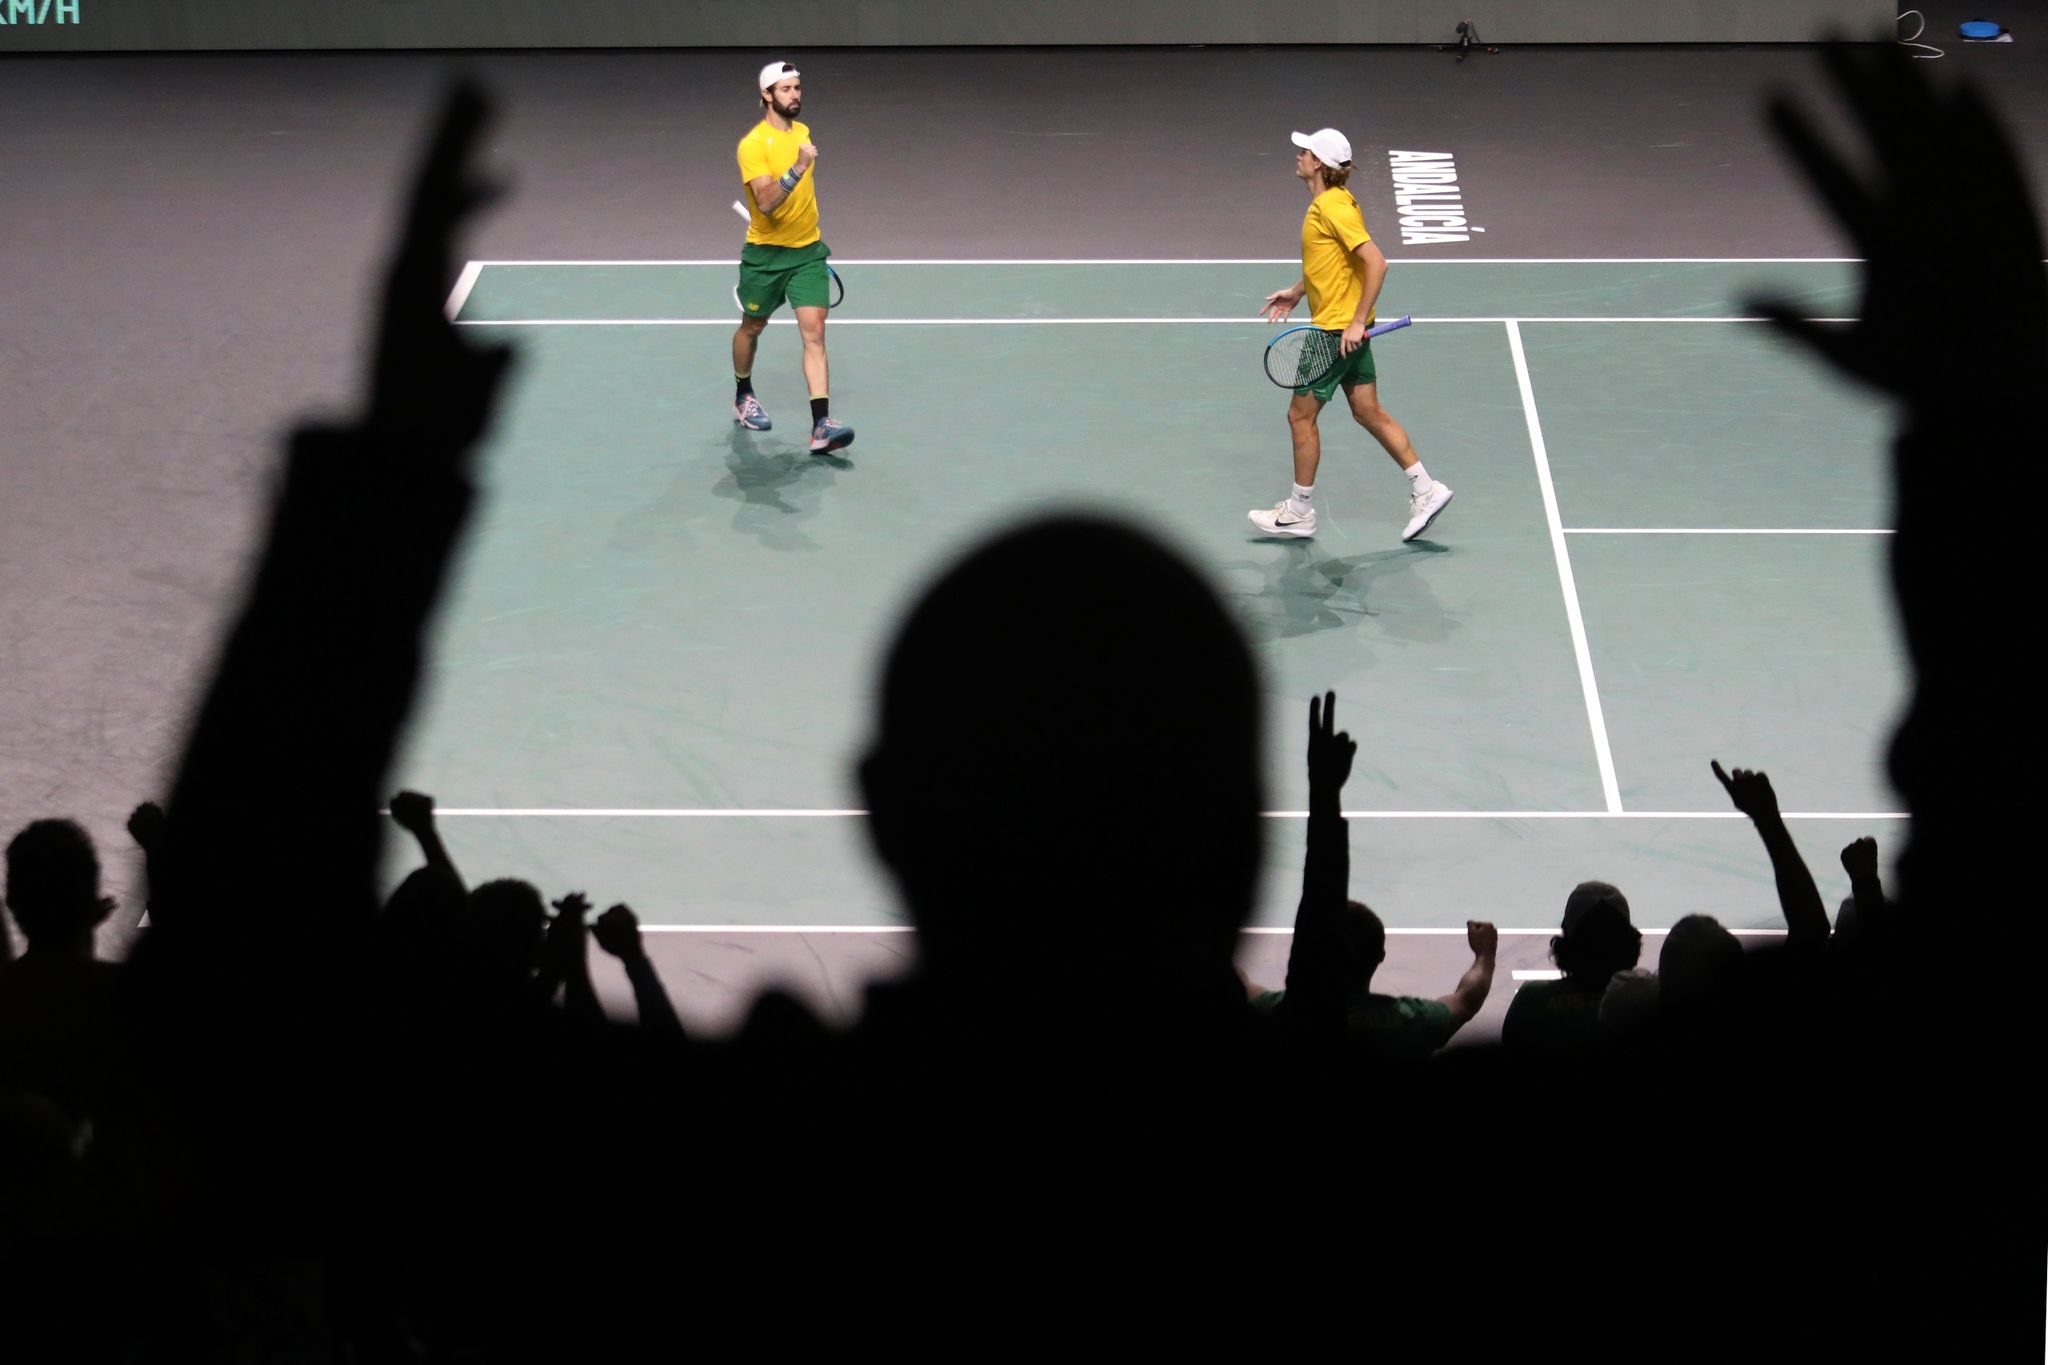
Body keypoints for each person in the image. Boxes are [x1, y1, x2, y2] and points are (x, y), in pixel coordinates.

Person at [1252, 128, 1451, 542]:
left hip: (1334, 332)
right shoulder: (1337, 202)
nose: (1299, 156)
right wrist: (1297, 291)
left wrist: (1357, 322)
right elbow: (1335, 261)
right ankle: (1426, 488)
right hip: (1346, 325)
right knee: (1367, 410)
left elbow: (1377, 263)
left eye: (1305, 152)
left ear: (1319, 164)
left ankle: (1299, 511)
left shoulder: (1331, 207)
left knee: (1300, 416)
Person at [731, 59, 854, 455]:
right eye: (785, 89)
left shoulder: (802, 131)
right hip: (765, 257)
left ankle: (822, 425)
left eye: (797, 87)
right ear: (766, 95)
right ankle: (743, 393)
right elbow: (765, 202)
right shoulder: (752, 146)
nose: (795, 95)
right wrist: (799, 166)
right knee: (752, 327)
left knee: (814, 333)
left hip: (807, 253)